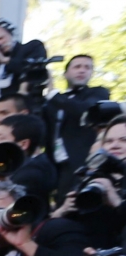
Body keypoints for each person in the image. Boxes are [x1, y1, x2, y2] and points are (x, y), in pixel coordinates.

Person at [44, 55, 112, 196]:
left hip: (81, 163)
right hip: (55, 165)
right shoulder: (54, 102)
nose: (82, 70)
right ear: (65, 73)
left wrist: (53, 94)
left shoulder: (98, 92)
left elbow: (84, 110)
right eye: (77, 66)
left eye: (87, 67)